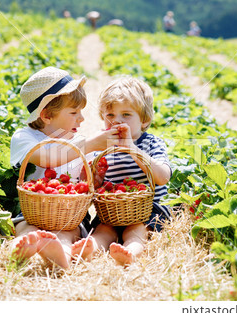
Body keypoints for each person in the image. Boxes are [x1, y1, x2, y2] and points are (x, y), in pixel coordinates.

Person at [10, 67, 119, 268]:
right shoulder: (23, 138)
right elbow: (48, 158)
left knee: (69, 233)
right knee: (26, 227)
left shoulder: (76, 141)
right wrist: (89, 145)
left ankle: (61, 254)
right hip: (32, 212)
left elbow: (80, 185)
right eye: (73, 112)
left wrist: (93, 177)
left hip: (69, 217)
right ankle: (22, 245)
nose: (81, 118)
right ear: (46, 115)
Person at [71, 77, 172, 266]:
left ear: (144, 120)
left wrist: (132, 149)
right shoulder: (103, 147)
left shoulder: (151, 144)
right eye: (110, 115)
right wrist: (95, 180)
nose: (116, 120)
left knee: (136, 230)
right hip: (113, 212)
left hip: (147, 211)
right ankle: (91, 248)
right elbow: (96, 189)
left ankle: (132, 251)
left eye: (126, 114)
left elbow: (163, 177)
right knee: (103, 230)